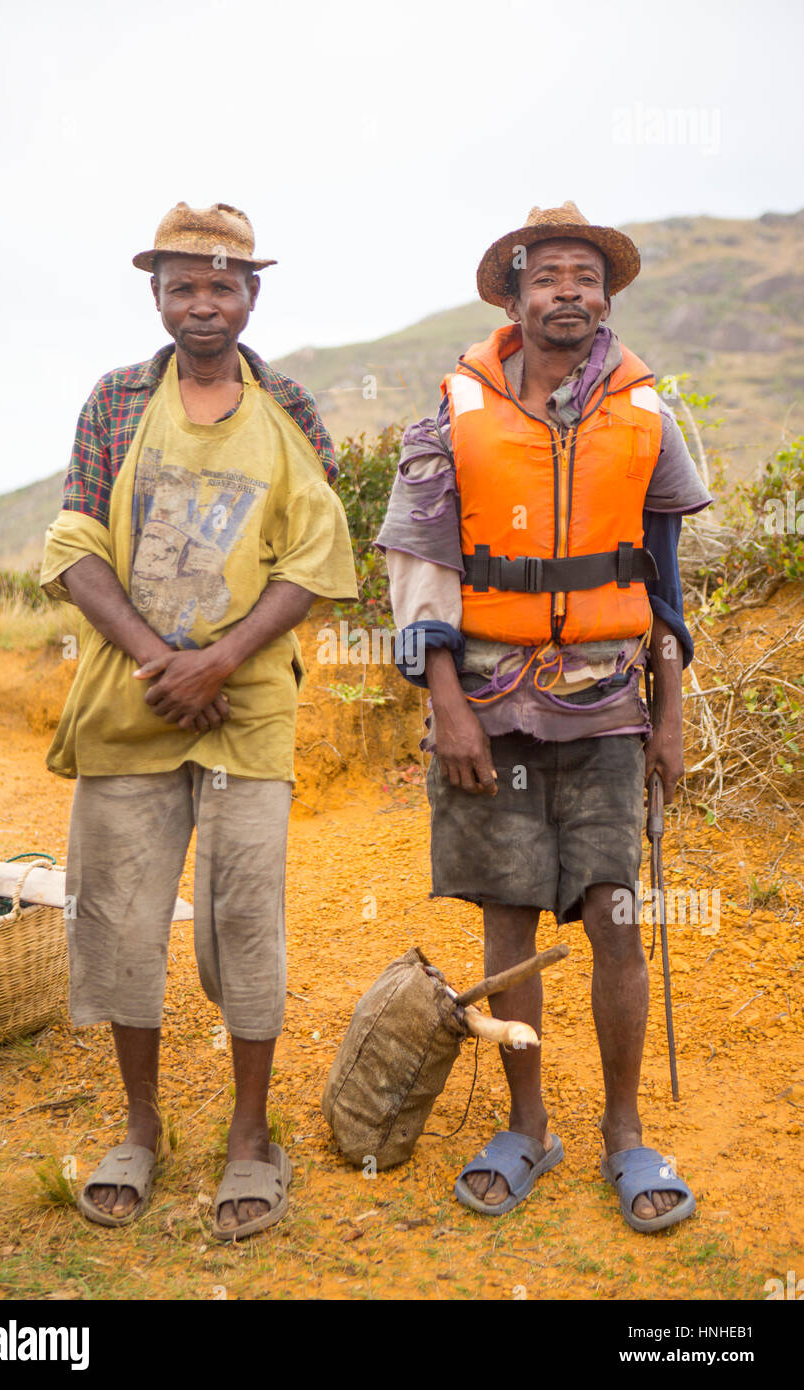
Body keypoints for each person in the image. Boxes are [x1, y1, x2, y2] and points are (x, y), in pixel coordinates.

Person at [376, 201, 711, 1233]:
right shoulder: (453, 411)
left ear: (603, 295)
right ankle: (525, 1125)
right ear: (513, 297)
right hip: (487, 706)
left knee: (614, 918)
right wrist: (447, 711)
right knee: (508, 918)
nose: (567, 291)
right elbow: (419, 565)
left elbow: (658, 578)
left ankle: (622, 1132)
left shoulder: (642, 413)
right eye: (546, 277)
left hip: (609, 705)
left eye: (584, 276)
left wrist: (667, 713)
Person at [40, 201, 357, 1240]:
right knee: (124, 914)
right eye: (183, 285)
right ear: (157, 295)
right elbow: (77, 542)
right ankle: (140, 1125)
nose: (203, 303)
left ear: (251, 294)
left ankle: (248, 1135)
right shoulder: (118, 401)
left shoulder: (289, 406)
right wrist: (156, 658)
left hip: (246, 708)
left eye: (222, 284)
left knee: (244, 920)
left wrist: (220, 657)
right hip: (132, 706)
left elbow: (315, 552)